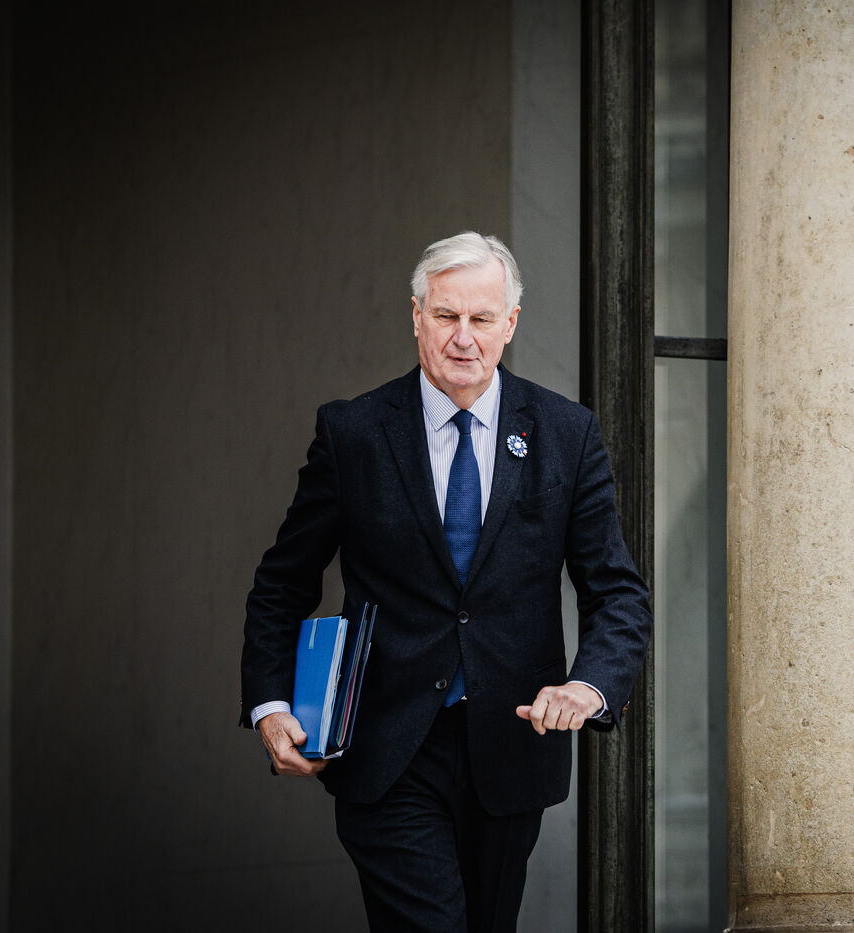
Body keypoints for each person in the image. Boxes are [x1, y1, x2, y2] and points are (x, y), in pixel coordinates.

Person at [239, 231, 652, 932]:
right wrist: (270, 702)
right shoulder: (353, 432)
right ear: (416, 317)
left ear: (510, 323)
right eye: (446, 315)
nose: (464, 337)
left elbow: (617, 591)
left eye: (482, 318)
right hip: (386, 748)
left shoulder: (566, 433)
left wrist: (589, 685)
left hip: (510, 748)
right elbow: (284, 580)